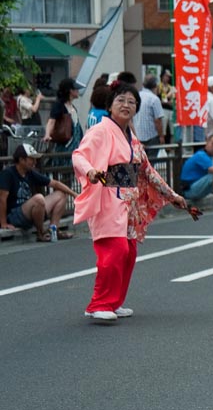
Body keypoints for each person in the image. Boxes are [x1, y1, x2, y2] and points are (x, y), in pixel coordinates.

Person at [71, 80, 190, 322]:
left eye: (131, 102)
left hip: (128, 202)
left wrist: (172, 195)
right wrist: (92, 171)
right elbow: (79, 155)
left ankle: (114, 302)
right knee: (114, 250)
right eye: (121, 101)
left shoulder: (131, 137)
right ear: (110, 105)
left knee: (129, 252)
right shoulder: (101, 130)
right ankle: (98, 303)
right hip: (108, 195)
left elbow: (146, 170)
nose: (126, 105)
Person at [0, 144, 77, 241]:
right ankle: (40, 234)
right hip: (15, 214)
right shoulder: (8, 173)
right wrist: (3, 223)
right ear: (21, 160)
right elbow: (2, 199)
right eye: (31, 159)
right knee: (38, 198)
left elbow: (55, 183)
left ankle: (53, 229)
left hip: (30, 210)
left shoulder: (30, 172)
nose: (35, 162)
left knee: (61, 195)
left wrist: (74, 194)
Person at [44, 78, 84, 156]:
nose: (78, 91)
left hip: (75, 144)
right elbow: (51, 121)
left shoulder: (72, 107)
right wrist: (47, 134)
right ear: (70, 91)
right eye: (76, 89)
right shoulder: (59, 105)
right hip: (65, 145)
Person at [134, 75, 165, 156]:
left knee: (140, 161)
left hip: (137, 135)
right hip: (152, 137)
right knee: (151, 162)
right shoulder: (154, 99)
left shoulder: (136, 96)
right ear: (155, 85)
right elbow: (158, 120)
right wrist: (161, 136)